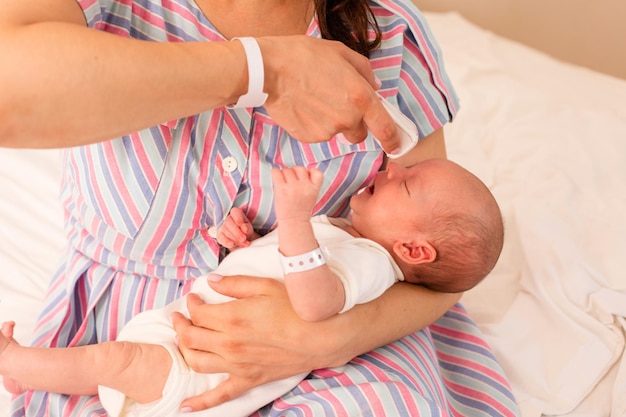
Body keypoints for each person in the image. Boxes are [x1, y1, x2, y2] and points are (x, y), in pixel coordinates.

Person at [0, 0, 520, 415]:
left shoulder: (391, 31)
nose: (391, 180)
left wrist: (321, 340)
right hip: (145, 326)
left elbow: (441, 271)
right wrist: (258, 71)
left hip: (352, 333)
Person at [0, 159, 504, 416]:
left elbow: (316, 302)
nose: (391, 170)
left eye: (406, 183)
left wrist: (293, 216)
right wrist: (250, 242)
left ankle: (16, 364)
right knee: (110, 368)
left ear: (414, 251)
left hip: (203, 367)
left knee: (110, 363)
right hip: (191, 335)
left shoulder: (374, 265)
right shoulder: (352, 239)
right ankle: (31, 378)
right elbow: (287, 268)